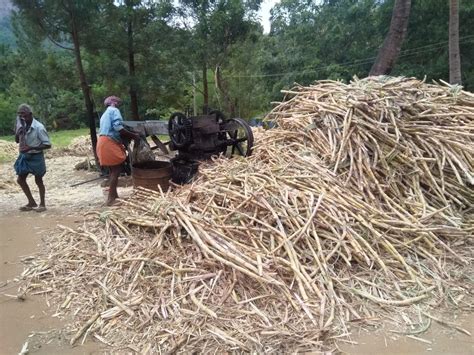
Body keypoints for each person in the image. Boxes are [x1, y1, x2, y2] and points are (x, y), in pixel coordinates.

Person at [97, 95, 139, 206]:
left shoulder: (105, 114)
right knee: (116, 170)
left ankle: (114, 195)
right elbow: (118, 128)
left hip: (102, 141)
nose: (118, 106)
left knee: (112, 170)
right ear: (114, 103)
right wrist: (134, 136)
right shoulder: (114, 110)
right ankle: (111, 199)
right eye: (118, 104)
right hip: (109, 142)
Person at [14, 104, 51, 212]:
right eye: (20, 114)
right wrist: (17, 132)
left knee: (38, 180)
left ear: (30, 114)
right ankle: (31, 202)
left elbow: (47, 145)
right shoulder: (21, 125)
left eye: (23, 114)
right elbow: (17, 140)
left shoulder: (39, 127)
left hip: (36, 156)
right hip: (25, 156)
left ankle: (42, 204)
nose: (22, 117)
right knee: (20, 179)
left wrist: (31, 147)